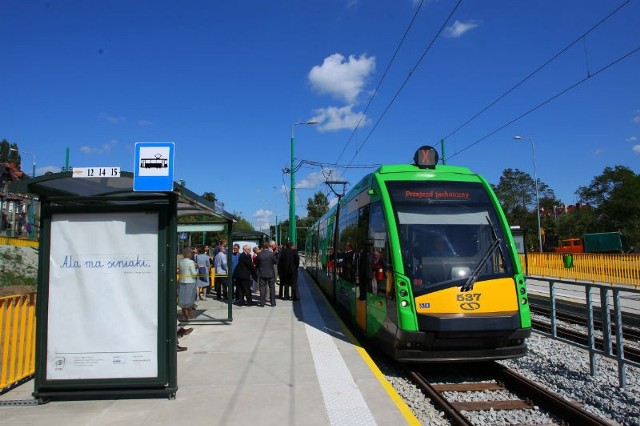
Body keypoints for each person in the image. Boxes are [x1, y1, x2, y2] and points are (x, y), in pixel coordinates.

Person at [254, 242, 278, 307]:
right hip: (270, 273)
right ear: (268, 247)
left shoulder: (259, 254)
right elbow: (276, 261)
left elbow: (256, 262)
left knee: (262, 288)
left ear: (262, 247)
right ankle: (273, 303)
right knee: (272, 288)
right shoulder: (271, 254)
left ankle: (262, 303)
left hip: (262, 273)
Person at [178, 247, 197, 320]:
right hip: (190, 282)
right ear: (189, 254)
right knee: (190, 299)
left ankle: (184, 315)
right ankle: (189, 315)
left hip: (182, 281)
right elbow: (194, 273)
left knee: (182, 300)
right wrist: (198, 270)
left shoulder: (181, 262)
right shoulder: (191, 262)